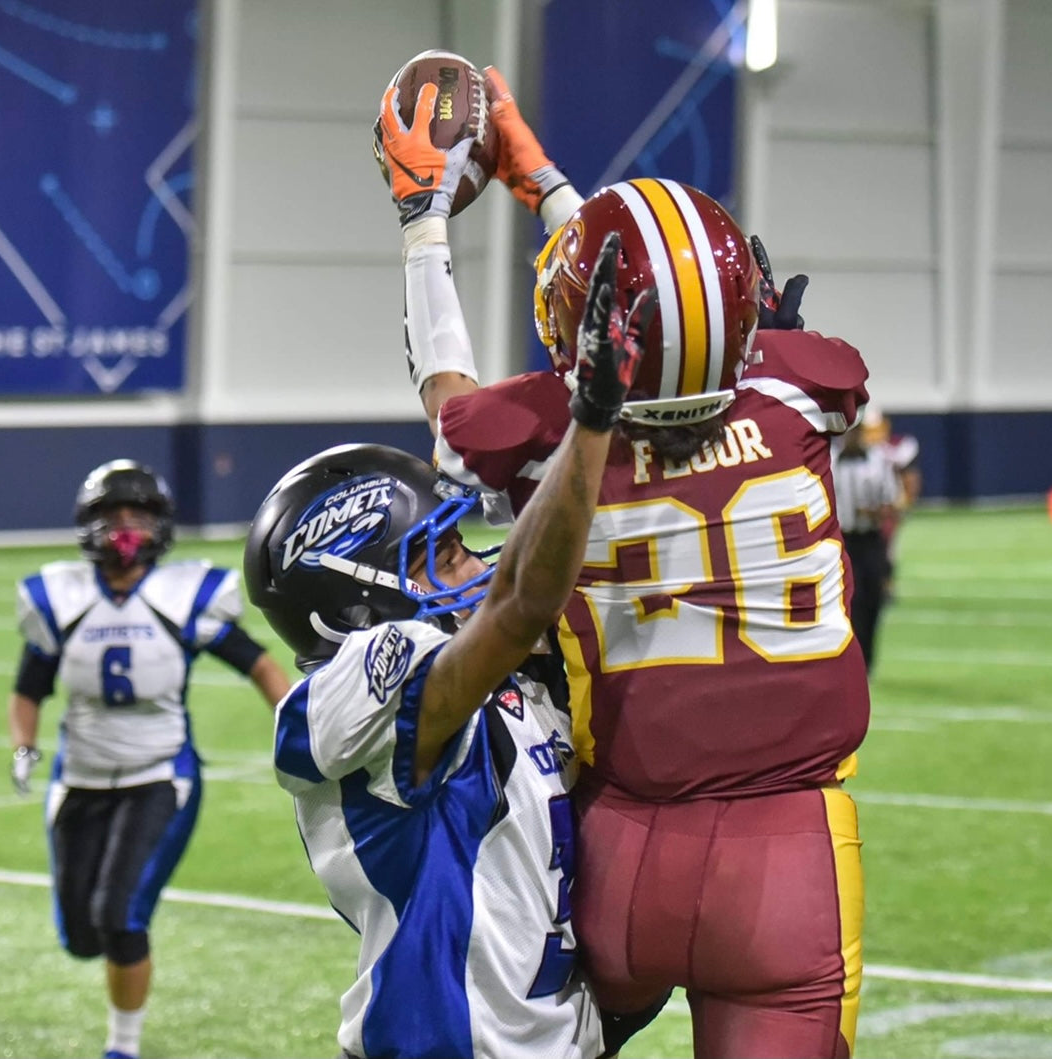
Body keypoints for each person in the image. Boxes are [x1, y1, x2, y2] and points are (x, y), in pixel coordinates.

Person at [376, 67, 871, 1059]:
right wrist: (546, 181)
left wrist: (423, 224)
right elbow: (674, 313)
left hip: (617, 850)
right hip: (790, 859)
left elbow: (463, 392)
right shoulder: (809, 386)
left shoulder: (539, 434)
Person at [242, 233, 662, 1059]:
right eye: (439, 553)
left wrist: (425, 230)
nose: (475, 560)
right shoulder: (359, 680)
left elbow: (465, 432)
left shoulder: (501, 680)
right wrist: (591, 419)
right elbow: (515, 602)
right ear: (355, 593)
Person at [7, 459, 292, 1059]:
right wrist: (25, 747)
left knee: (120, 916)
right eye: (114, 516)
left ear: (160, 524)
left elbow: (260, 664)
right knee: (82, 936)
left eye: (139, 515)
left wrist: (297, 725)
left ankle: (123, 1048)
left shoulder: (181, 596)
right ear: (90, 525)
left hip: (160, 774)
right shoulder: (60, 598)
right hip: (79, 777)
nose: (126, 528)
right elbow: (29, 686)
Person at [831, 420, 903, 673]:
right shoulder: (828, 460)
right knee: (851, 602)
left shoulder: (878, 461)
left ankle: (867, 661)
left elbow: (894, 503)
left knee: (874, 600)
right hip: (843, 541)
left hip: (871, 540)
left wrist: (875, 512)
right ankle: (852, 661)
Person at [862, 404, 921, 596]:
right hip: (863, 505)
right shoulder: (854, 451)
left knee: (887, 547)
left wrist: (906, 501)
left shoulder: (897, 448)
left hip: (889, 505)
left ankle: (885, 584)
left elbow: (911, 477)